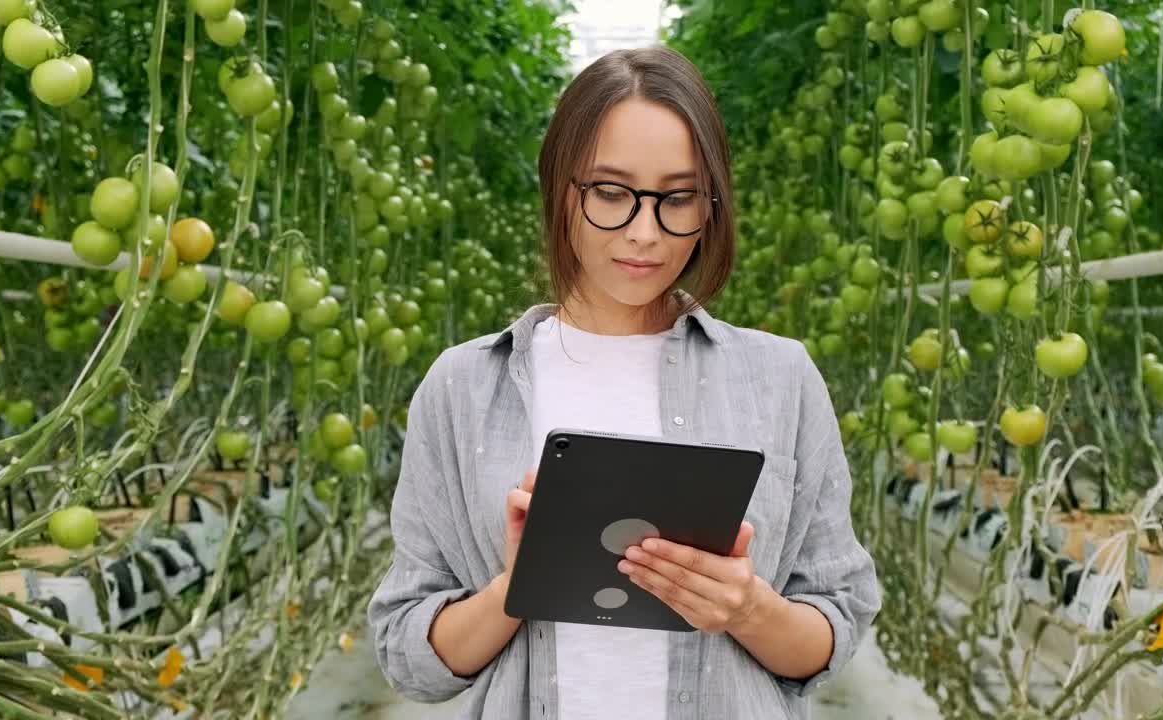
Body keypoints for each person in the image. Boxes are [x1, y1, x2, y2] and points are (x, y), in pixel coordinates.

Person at [367, 46, 881, 720]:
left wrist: (748, 609)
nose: (644, 232)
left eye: (678, 198)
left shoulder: (781, 379)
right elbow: (407, 653)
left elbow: (836, 623)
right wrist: (517, 587)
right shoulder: (462, 387)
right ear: (561, 188)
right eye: (611, 193)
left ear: (711, 204)